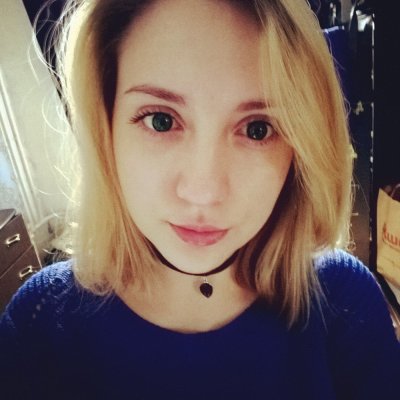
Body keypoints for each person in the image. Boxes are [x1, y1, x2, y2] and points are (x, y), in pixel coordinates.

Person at [1, 0, 399, 398]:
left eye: (258, 129)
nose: (203, 193)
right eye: (161, 120)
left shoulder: (344, 304)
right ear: (106, 125)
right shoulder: (41, 325)